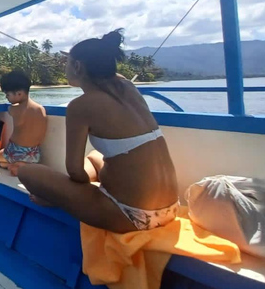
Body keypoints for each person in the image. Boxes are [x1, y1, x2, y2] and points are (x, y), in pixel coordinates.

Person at [11, 30, 179, 233]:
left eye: (67, 63)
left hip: (133, 216)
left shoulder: (80, 107)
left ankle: (60, 200)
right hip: (171, 208)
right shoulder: (127, 86)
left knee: (27, 171)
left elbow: (75, 172)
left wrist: (66, 193)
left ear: (78, 66)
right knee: (94, 157)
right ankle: (82, 194)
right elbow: (107, 72)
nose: (64, 67)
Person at [0, 70, 47, 167]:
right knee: (4, 161)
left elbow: (10, 110)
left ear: (19, 93)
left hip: (16, 152)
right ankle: (23, 165)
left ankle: (15, 165)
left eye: (8, 95)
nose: (7, 98)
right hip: (34, 154)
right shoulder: (41, 109)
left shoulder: (14, 109)